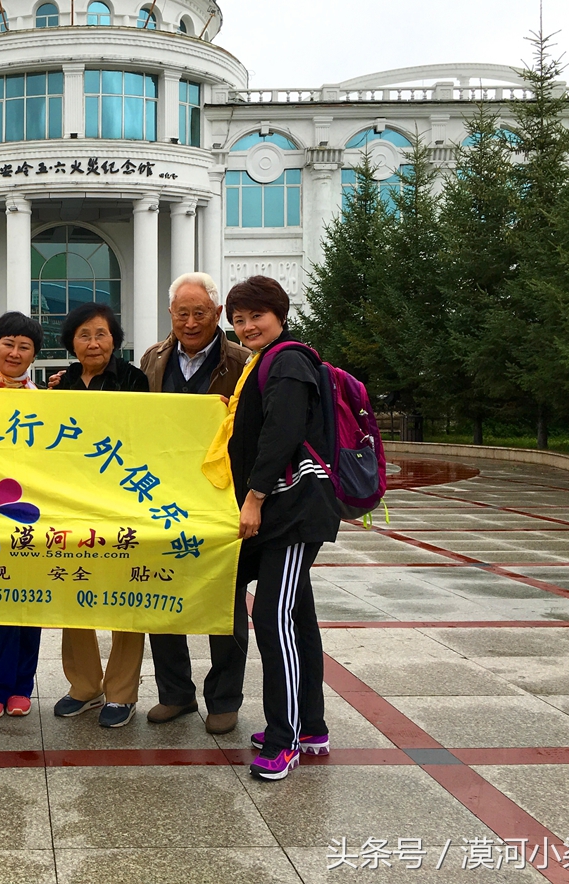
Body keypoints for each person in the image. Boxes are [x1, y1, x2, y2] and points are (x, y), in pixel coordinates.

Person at [211, 275, 340, 780]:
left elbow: (281, 434)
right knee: (299, 619)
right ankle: (310, 726)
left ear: (279, 314)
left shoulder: (286, 361)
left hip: (289, 513)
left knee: (274, 621)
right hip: (288, 512)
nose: (246, 327)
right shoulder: (268, 362)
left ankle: (283, 738)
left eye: (255, 316)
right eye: (238, 320)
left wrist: (255, 498)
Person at [138, 273, 251, 736]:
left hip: (221, 496)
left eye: (199, 312)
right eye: (181, 313)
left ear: (217, 315)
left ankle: (224, 699)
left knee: (224, 596)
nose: (189, 322)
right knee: (161, 587)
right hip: (162, 495)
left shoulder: (244, 360)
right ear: (171, 315)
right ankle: (175, 693)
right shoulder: (153, 359)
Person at [48, 302, 149, 727]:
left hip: (123, 501)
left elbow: (146, 434)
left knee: (126, 594)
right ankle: (85, 686)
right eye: (84, 334)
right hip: (71, 503)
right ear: (71, 341)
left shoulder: (134, 380)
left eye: (102, 334)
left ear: (115, 340)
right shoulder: (61, 384)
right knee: (75, 589)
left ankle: (122, 693)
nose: (93, 342)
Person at [0, 311, 43, 718]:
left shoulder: (41, 401)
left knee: (29, 600)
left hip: (28, 512)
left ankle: (22, 685)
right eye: (8, 344)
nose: (15, 353)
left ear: (34, 354)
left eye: (24, 347)